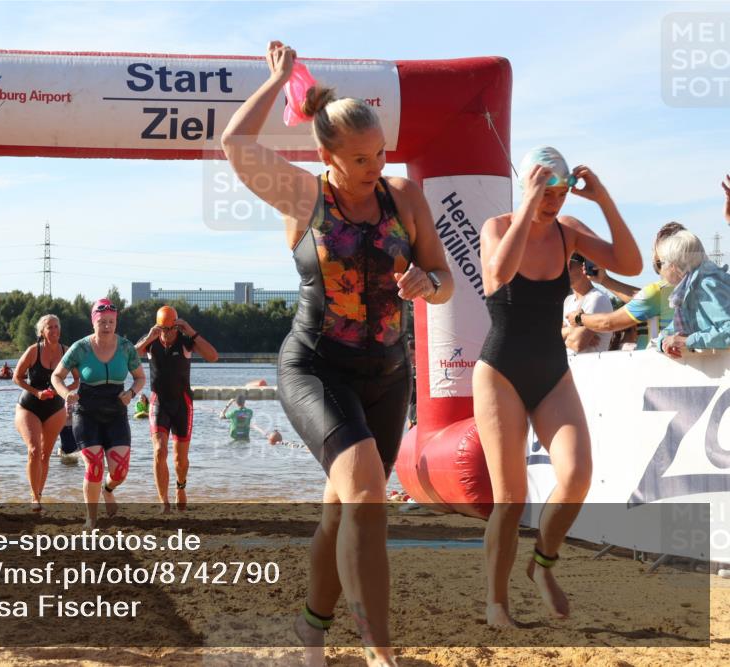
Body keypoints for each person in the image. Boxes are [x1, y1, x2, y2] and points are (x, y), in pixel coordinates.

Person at [222, 41, 453, 667]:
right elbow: (235, 146)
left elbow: (445, 277)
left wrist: (427, 285)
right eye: (359, 158)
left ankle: (311, 627)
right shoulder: (305, 197)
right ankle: (379, 653)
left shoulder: (403, 197)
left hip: (387, 372)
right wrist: (275, 82)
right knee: (367, 494)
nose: (375, 165)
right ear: (326, 157)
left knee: (342, 507)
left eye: (380, 152)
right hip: (315, 367)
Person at [475, 146, 641, 628]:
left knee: (577, 475)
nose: (553, 200)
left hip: (550, 370)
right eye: (544, 190)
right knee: (510, 498)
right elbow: (497, 274)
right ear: (526, 186)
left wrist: (603, 199)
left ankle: (542, 564)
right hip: (500, 370)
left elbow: (629, 264)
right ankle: (496, 603)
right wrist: (528, 206)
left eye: (560, 191)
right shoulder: (498, 226)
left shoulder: (569, 232)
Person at [52, 299, 145, 528]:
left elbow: (140, 377)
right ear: (94, 322)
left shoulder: (126, 348)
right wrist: (66, 394)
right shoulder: (80, 347)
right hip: (87, 413)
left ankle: (108, 489)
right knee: (94, 467)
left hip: (116, 413)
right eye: (102, 321)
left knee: (120, 472)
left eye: (111, 321)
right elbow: (56, 376)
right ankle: (91, 519)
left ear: (116, 322)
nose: (107, 326)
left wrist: (132, 393)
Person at [135, 305, 219, 512]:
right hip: (159, 403)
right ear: (157, 327)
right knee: (158, 451)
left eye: (171, 328)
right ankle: (163, 501)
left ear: (177, 326)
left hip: (182, 404)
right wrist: (148, 338)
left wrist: (191, 331)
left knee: (180, 460)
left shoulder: (186, 342)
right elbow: (129, 356)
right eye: (163, 329)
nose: (167, 333)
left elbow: (213, 356)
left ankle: (180, 487)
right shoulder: (151, 343)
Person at [565, 222, 685, 348]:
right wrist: (604, 280)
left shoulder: (657, 292)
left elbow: (608, 323)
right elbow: (641, 297)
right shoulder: (684, 288)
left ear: (660, 255)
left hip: (653, 363)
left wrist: (580, 318)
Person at [13, 314, 70, 511]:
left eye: (57, 327)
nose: (54, 331)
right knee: (34, 450)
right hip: (29, 406)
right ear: (42, 332)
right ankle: (34, 497)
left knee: (45, 455)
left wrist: (65, 391)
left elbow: (78, 379)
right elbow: (17, 377)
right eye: (50, 327)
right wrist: (37, 392)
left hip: (55, 408)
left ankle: (39, 494)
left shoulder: (67, 351)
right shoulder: (33, 351)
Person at [654, 230, 730, 356]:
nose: (660, 270)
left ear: (673, 266)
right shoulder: (688, 290)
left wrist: (688, 341)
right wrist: (663, 343)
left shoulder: (706, 285)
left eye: (661, 263)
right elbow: (672, 331)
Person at [561, 254, 613, 355]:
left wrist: (563, 333)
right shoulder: (568, 300)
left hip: (589, 368)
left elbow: (577, 343)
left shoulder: (597, 298)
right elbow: (549, 336)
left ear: (584, 267)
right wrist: (572, 330)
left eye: (568, 265)